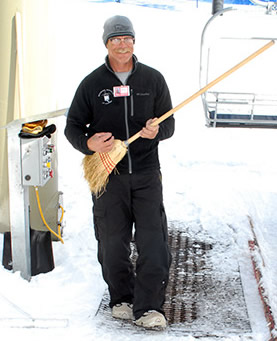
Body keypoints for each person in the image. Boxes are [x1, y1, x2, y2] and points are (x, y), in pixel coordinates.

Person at [64, 15, 174, 330]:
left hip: (146, 174)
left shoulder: (153, 80)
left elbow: (169, 124)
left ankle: (150, 307)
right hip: (107, 177)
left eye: (126, 38)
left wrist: (158, 131)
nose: (122, 44)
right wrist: (89, 142)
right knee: (112, 242)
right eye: (115, 39)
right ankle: (121, 299)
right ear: (107, 44)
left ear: (134, 42)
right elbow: (73, 127)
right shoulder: (92, 84)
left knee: (154, 242)